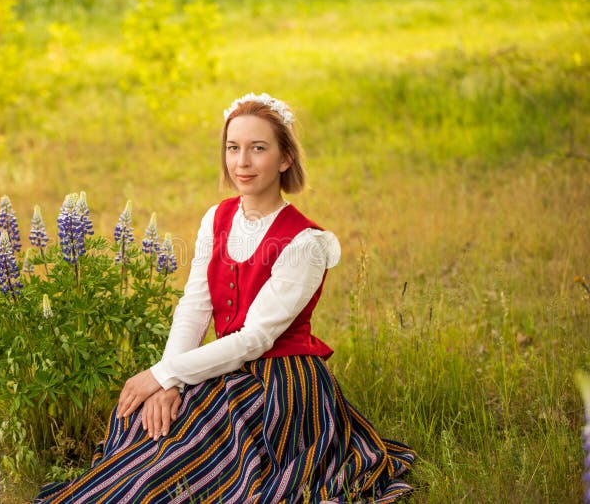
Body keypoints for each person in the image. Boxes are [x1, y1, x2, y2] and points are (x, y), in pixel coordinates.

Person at [35, 93, 415, 503]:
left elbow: (255, 340)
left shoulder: (306, 242)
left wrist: (167, 374)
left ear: (285, 158)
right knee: (143, 416)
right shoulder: (216, 218)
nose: (242, 163)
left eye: (258, 149)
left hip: (282, 382)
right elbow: (195, 306)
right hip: (226, 364)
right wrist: (167, 380)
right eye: (233, 148)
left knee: (195, 445)